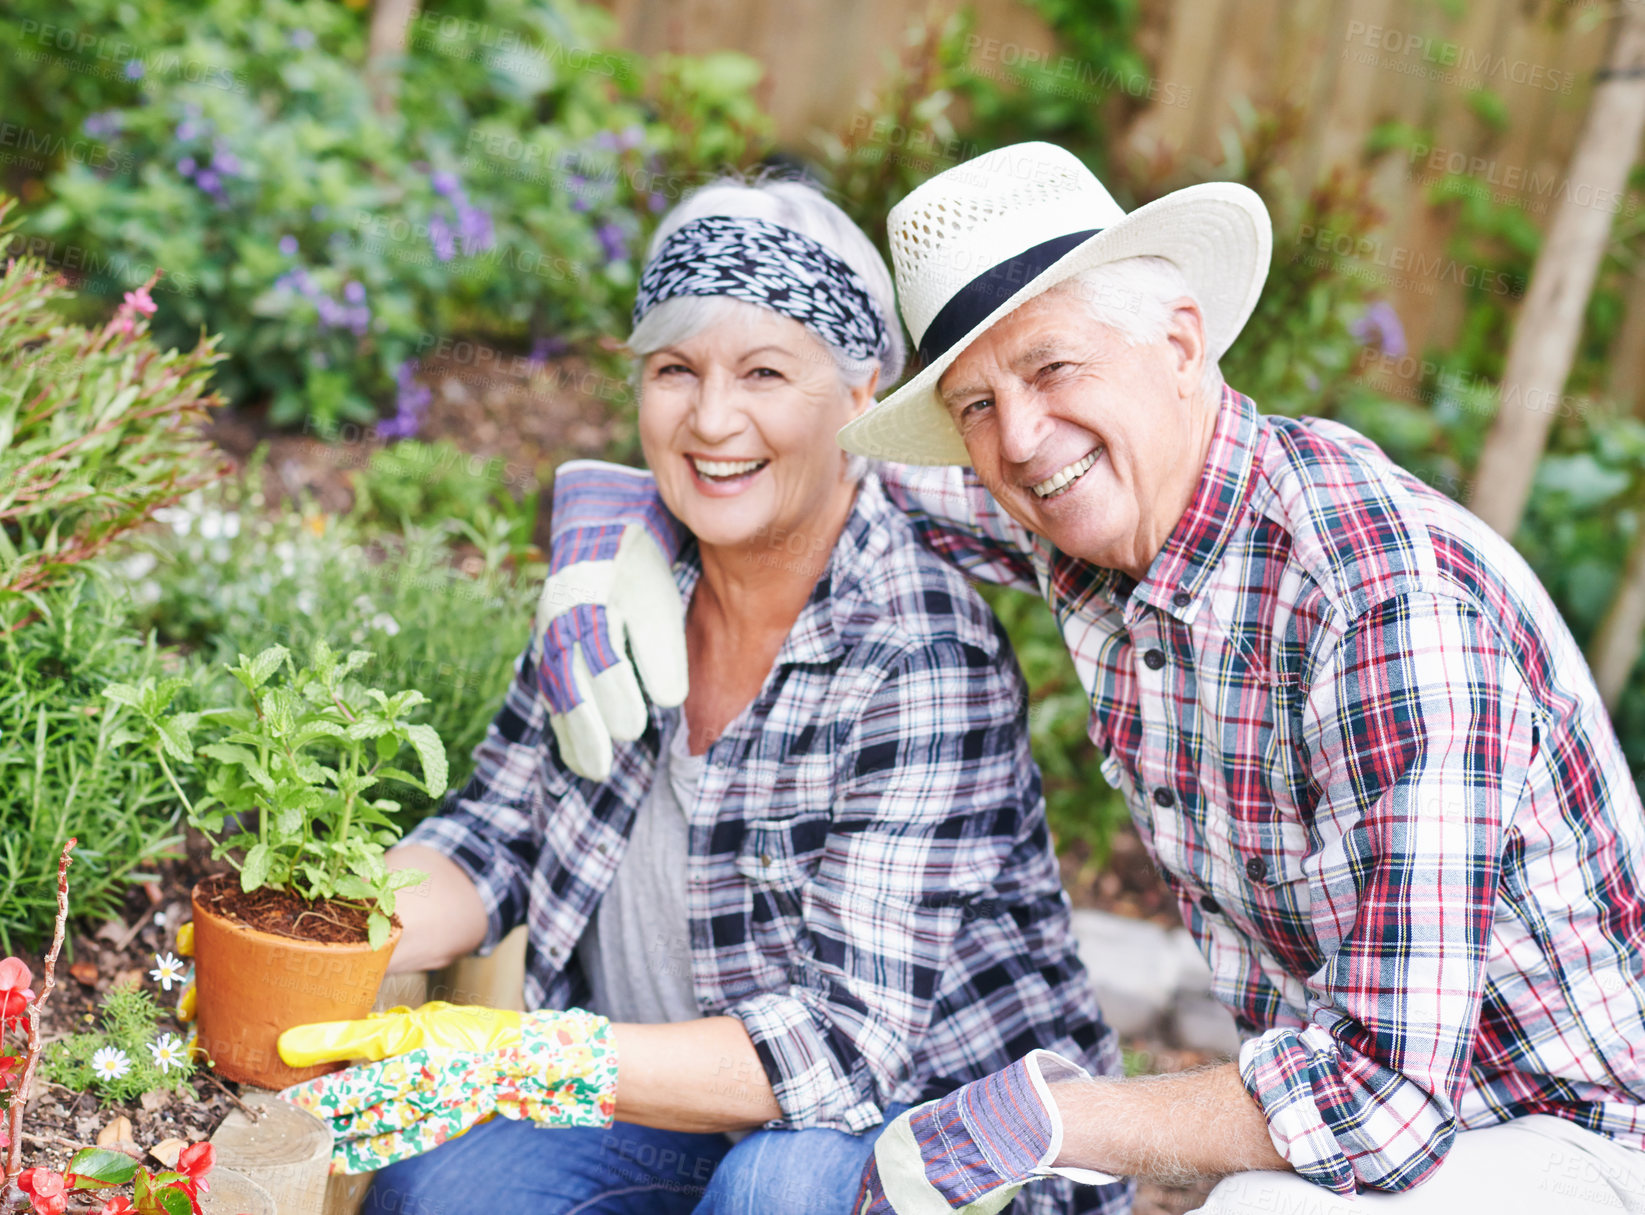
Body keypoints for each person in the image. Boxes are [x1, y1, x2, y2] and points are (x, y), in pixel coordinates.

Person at [534, 143, 1645, 1214]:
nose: (1019, 438)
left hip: (1567, 1133)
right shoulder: (1089, 516)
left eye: (1053, 365)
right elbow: (806, 477)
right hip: (1380, 1116)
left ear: (1177, 344)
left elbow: (1382, 1103)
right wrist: (612, 514)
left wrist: (1044, 1120)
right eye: (974, 404)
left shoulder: (1380, 608)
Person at [357, 176, 1128, 1215]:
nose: (712, 419)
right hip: (682, 1118)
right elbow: (496, 835)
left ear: (860, 400)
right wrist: (322, 926)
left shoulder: (917, 652)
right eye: (675, 370)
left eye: (766, 372)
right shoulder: (620, 587)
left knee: (779, 1192)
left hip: (933, 1148)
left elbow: (841, 1052)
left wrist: (517, 1052)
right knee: (442, 1190)